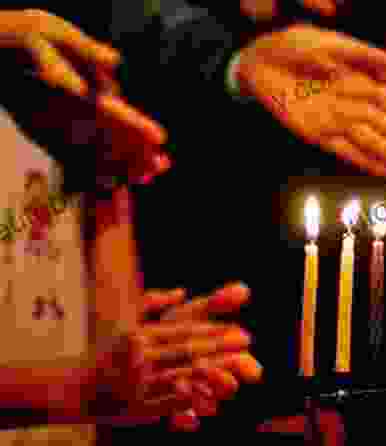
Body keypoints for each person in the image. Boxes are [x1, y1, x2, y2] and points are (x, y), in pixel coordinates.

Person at [0, 8, 262, 445]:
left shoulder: (67, 53)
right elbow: (88, 384)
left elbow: (113, 342)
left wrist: (151, 373)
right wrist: (77, 386)